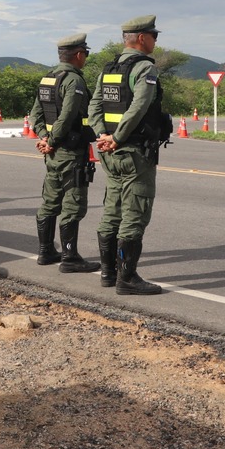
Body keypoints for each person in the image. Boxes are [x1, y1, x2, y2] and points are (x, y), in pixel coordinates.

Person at [88, 15, 173, 296]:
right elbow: (139, 106)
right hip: (134, 151)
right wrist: (118, 137)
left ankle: (108, 273)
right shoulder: (145, 67)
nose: (155, 40)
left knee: (112, 209)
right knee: (135, 211)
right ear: (140, 38)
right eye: (153, 35)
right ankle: (127, 278)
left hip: (110, 153)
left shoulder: (109, 68)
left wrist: (103, 135)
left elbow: (94, 106)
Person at [29, 33, 100, 273]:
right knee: (73, 204)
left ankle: (46, 251)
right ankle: (70, 257)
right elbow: (68, 116)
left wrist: (44, 138)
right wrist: (52, 140)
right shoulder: (74, 81)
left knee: (50, 200)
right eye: (86, 54)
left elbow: (35, 116)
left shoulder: (48, 78)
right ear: (79, 55)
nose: (86, 58)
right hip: (69, 151)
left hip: (52, 154)